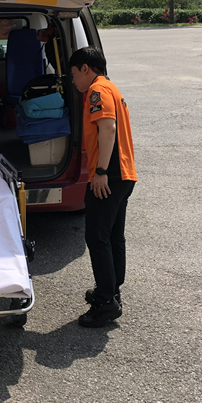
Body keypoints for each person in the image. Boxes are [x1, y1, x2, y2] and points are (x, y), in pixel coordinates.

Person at [68, 46, 137, 328]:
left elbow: (107, 129)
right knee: (113, 236)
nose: (73, 81)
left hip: (109, 177)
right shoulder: (111, 88)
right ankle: (111, 289)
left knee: (97, 237)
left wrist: (100, 172)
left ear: (85, 68)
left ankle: (106, 302)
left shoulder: (97, 90)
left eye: (74, 74)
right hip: (124, 175)